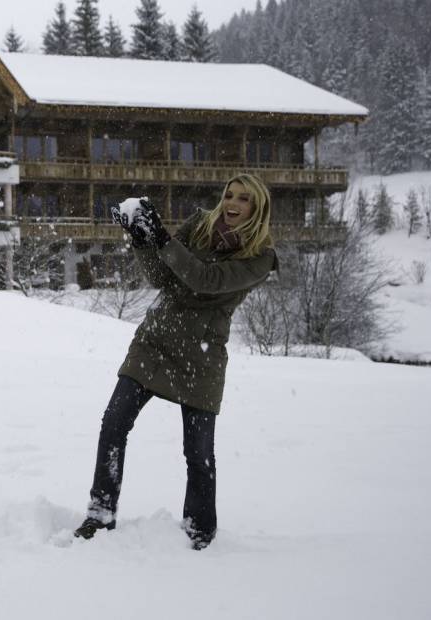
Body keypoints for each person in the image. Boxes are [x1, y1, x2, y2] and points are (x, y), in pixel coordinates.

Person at [74, 173, 278, 550]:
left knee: (198, 454)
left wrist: (164, 238)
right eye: (229, 193)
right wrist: (141, 238)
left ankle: (199, 531)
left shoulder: (261, 258)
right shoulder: (200, 223)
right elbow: (161, 276)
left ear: (257, 208)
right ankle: (100, 514)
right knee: (113, 423)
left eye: (244, 199)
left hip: (201, 355)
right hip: (155, 340)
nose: (232, 203)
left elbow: (206, 280)